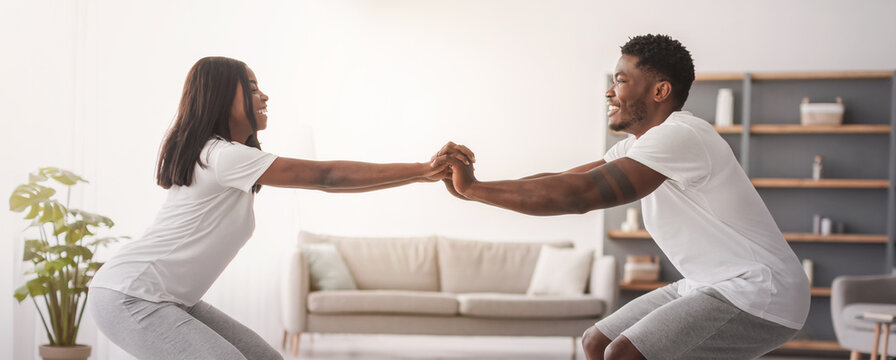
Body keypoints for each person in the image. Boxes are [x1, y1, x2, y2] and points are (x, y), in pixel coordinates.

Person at [434, 34, 810, 360]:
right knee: (598, 341)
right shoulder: (640, 145)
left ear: (659, 91)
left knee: (624, 354)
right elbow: (564, 179)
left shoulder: (680, 135)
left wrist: (475, 189)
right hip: (708, 282)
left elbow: (580, 195)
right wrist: (475, 189)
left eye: (621, 81)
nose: (609, 92)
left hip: (761, 290)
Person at [87, 56, 472, 360]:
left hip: (160, 297)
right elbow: (327, 176)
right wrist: (423, 169)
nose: (265, 97)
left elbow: (327, 177)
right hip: (131, 295)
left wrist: (422, 175)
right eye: (252, 88)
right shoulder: (223, 156)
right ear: (221, 97)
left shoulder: (223, 157)